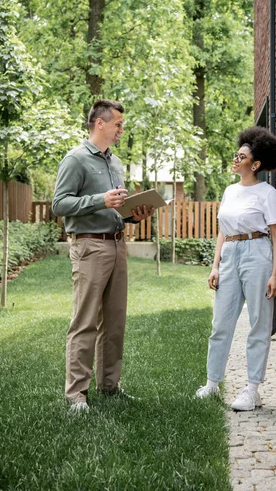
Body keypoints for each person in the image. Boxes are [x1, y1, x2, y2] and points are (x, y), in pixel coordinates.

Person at [52, 99, 154, 412]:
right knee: (85, 322)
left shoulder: (116, 163)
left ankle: (110, 386)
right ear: (100, 123)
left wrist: (134, 215)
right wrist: (100, 199)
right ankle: (76, 395)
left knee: (114, 321)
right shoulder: (76, 159)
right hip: (89, 246)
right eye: (118, 125)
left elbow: (116, 209)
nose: (121, 130)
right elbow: (59, 204)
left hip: (116, 243)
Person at [196, 126, 276, 411]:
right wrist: (215, 265)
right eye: (236, 154)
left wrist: (274, 274)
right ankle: (211, 383)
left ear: (255, 164)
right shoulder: (230, 190)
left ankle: (252, 389)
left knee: (258, 323)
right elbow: (222, 230)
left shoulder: (267, 193)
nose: (235, 159)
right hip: (230, 253)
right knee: (220, 323)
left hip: (258, 253)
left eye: (241, 156)